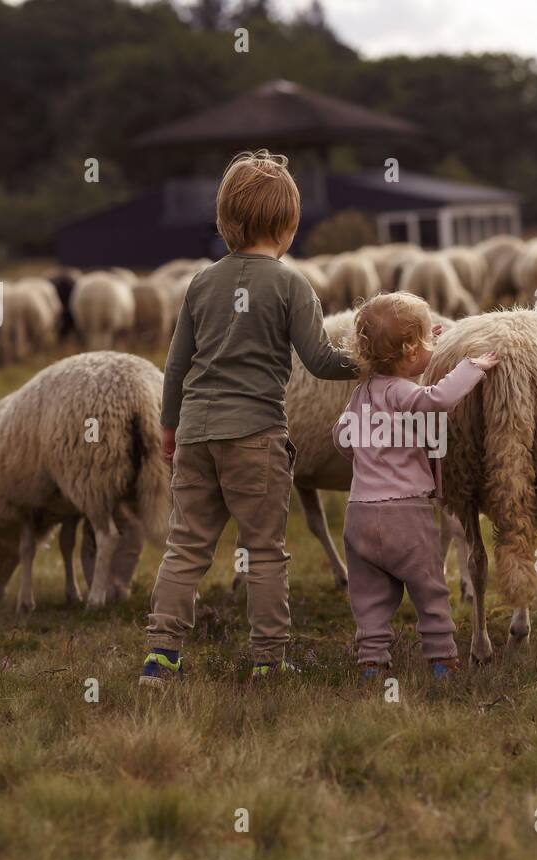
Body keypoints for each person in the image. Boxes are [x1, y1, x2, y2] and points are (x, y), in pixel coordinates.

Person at [141, 149, 357, 686]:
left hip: (194, 433)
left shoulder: (200, 284)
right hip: (256, 438)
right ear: (289, 225)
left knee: (186, 547)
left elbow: (175, 366)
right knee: (264, 552)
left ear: (224, 220)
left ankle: (162, 654)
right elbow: (321, 362)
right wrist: (374, 361)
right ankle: (267, 659)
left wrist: (169, 428)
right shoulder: (290, 286)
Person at [332, 292, 499, 679]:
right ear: (409, 351)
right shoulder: (404, 392)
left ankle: (372, 660)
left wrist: (365, 455)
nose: (432, 347)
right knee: (428, 588)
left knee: (370, 597)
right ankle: (442, 659)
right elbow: (437, 399)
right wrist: (472, 368)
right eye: (427, 341)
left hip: (359, 514)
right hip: (405, 515)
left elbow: (340, 437)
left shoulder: (361, 393)